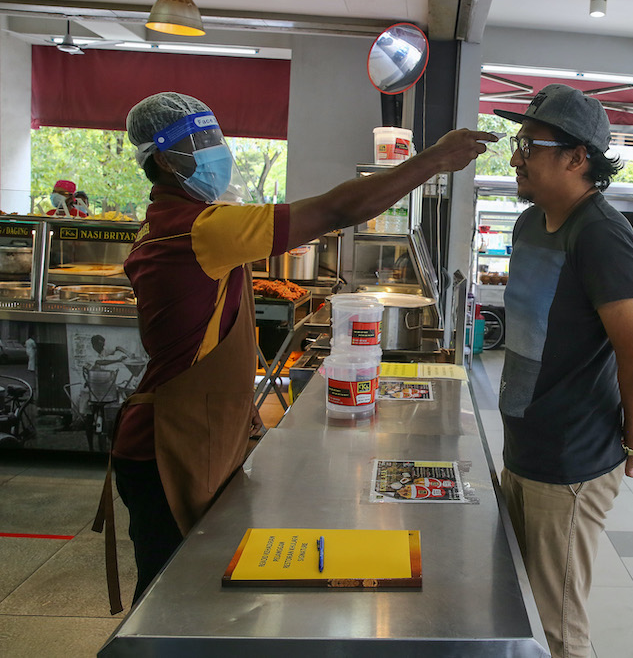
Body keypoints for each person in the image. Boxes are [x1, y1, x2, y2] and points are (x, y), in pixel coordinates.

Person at [96, 91, 492, 608]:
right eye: (203, 142)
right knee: (171, 596)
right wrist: (436, 160)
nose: (219, 150)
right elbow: (339, 208)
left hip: (195, 431)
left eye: (218, 137)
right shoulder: (200, 230)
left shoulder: (188, 221)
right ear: (167, 160)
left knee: (200, 584)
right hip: (167, 443)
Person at [492, 84, 633, 658]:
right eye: (518, 141)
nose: (516, 154)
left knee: (557, 627)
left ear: (576, 157)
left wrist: (632, 447)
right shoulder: (530, 223)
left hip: (570, 460)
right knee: (516, 606)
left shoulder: (600, 234)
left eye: (530, 143)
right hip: (525, 444)